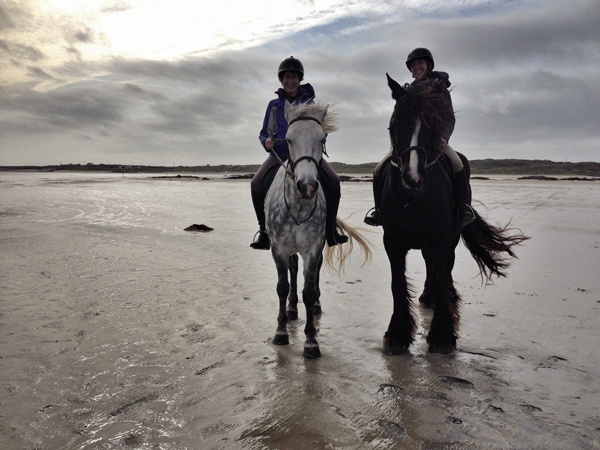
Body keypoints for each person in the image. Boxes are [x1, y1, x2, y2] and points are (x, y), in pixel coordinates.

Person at [364, 47, 475, 227]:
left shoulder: (440, 88)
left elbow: (449, 118)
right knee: (378, 169)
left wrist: (444, 137)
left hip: (435, 142)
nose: (417, 67)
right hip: (409, 143)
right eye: (413, 65)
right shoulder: (408, 91)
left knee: (458, 162)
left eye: (420, 63)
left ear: (429, 65)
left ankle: (463, 208)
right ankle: (379, 211)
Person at [250, 56, 348, 250]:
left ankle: (330, 230)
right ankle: (263, 231)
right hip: (279, 156)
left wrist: (316, 138)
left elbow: (321, 129)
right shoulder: (274, 105)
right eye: (287, 77)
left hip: (307, 155)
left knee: (334, 181)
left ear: (300, 79)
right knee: (255, 184)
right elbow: (264, 133)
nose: (290, 80)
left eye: (294, 77)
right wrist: (266, 142)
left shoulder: (311, 104)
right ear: (281, 80)